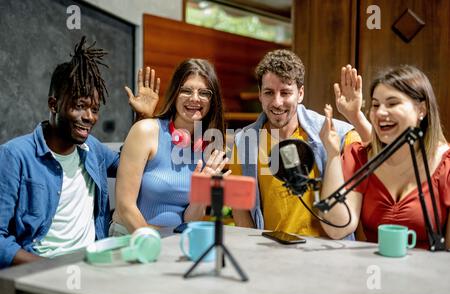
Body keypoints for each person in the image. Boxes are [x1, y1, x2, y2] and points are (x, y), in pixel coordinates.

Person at [0, 36, 157, 268]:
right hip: (41, 271)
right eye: (80, 106)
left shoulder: (92, 149)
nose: (89, 117)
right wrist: (47, 268)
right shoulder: (14, 156)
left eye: (94, 109)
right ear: (53, 105)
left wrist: (143, 118)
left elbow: (132, 163)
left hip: (93, 264)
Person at [229, 49, 371, 238]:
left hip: (326, 255)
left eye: (286, 92)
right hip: (271, 251)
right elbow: (240, 209)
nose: (277, 102)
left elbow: (382, 154)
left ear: (300, 93)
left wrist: (356, 116)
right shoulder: (244, 142)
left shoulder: (339, 134)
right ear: (260, 95)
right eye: (269, 93)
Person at [319, 65, 450, 249]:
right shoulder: (360, 157)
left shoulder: (446, 165)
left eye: (392, 103)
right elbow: (337, 228)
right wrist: (332, 153)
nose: (380, 112)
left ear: (422, 109)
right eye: (375, 105)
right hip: (372, 273)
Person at [111, 58, 230, 235]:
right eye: (186, 90)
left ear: (212, 101)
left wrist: (202, 191)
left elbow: (191, 220)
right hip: (133, 237)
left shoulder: (210, 148)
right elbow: (124, 206)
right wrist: (153, 243)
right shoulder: (145, 131)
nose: (195, 99)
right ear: (175, 93)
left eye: (204, 93)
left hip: (176, 240)